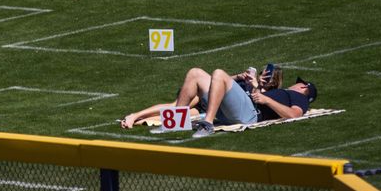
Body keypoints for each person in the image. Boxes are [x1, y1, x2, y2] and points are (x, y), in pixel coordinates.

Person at [120, 67, 317, 139]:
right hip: (237, 108)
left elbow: (294, 115)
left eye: (298, 83)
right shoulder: (278, 92)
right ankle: (174, 123)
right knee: (195, 73)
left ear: (303, 87)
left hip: (250, 114)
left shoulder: (297, 97)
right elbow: (219, 84)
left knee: (219, 73)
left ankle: (208, 124)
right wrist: (251, 84)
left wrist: (265, 98)